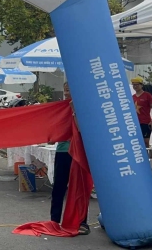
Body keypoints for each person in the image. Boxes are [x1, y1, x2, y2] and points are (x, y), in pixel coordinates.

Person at [49, 82, 90, 235]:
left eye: (70, 88)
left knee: (80, 187)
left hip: (78, 152)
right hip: (63, 151)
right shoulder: (60, 108)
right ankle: (54, 220)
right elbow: (53, 136)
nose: (66, 90)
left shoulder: (82, 107)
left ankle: (82, 222)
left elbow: (81, 130)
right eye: (65, 88)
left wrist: (74, 110)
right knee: (59, 187)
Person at [131, 76, 152, 147]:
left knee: (146, 141)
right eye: (134, 85)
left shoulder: (147, 95)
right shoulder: (133, 97)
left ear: (141, 85)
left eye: (137, 84)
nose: (135, 86)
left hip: (145, 122)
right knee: (137, 141)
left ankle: (147, 157)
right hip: (135, 123)